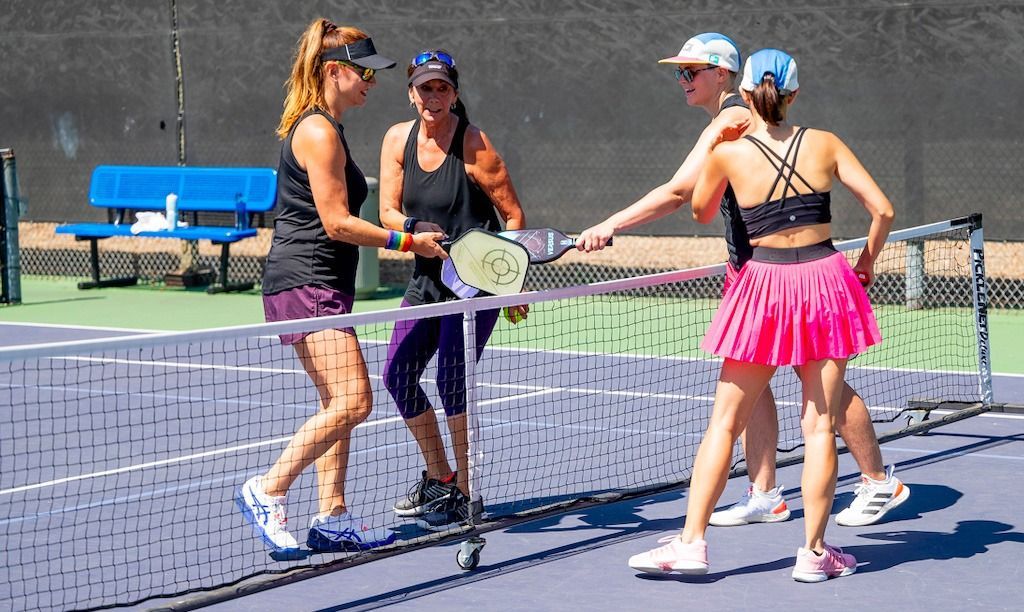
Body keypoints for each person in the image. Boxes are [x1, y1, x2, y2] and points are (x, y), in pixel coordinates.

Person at [577, 33, 907, 530]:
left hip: (778, 276)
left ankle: (877, 480)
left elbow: (681, 192)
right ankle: (766, 491)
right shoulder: (736, 120)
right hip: (756, 271)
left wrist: (611, 223)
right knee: (764, 385)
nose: (682, 80)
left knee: (810, 387)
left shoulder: (732, 118)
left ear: (724, 76)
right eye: (679, 72)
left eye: (692, 72)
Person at [235, 19, 446, 554]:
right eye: (364, 74)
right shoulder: (318, 131)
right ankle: (269, 488)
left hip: (321, 280)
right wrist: (405, 241)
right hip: (306, 280)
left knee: (337, 400)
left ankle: (332, 516)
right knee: (355, 399)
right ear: (334, 71)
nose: (372, 84)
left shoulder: (329, 126)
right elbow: (336, 222)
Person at [378, 50, 528, 532]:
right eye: (425, 88)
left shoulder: (475, 144)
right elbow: (386, 211)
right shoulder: (396, 140)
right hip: (425, 281)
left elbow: (513, 216)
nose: (433, 97)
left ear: (455, 94)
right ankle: (440, 475)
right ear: (411, 93)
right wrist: (411, 228)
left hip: (473, 286)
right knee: (397, 375)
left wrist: (511, 281)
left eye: (442, 88)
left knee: (451, 382)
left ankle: (467, 490)